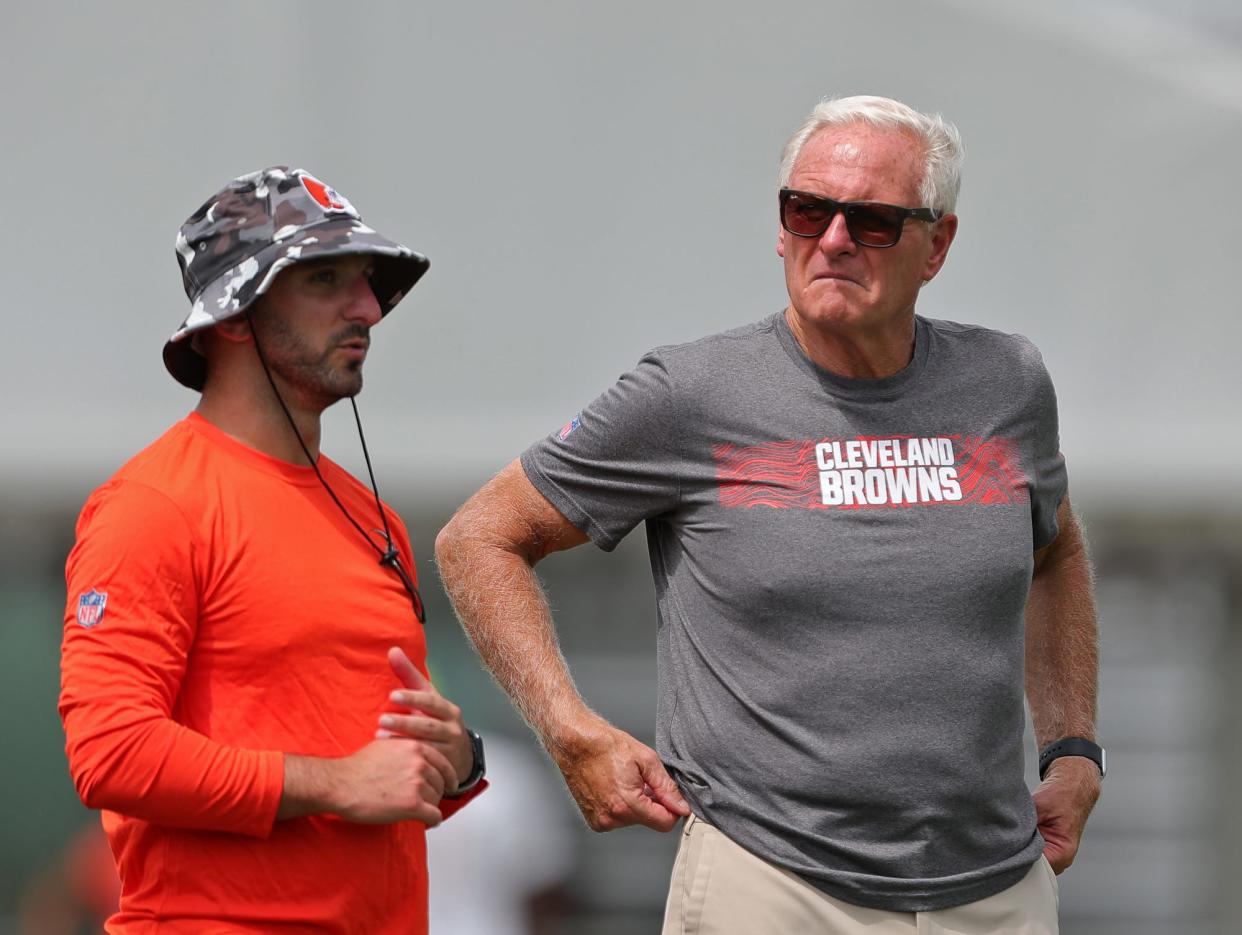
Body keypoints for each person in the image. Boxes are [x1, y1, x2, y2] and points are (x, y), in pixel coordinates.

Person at [434, 96, 1102, 933]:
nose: (833, 240)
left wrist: (1073, 747)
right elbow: (481, 537)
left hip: (994, 887)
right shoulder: (692, 393)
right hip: (774, 883)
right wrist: (569, 729)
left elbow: (1057, 552)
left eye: (873, 221)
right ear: (780, 225)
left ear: (939, 245)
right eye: (808, 209)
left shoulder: (1007, 383)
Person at [59, 166, 487, 934]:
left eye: (366, 282)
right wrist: (335, 782)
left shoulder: (374, 518)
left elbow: (384, 779)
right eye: (326, 278)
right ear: (233, 317)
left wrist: (457, 758)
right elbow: (110, 751)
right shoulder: (154, 504)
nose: (367, 308)